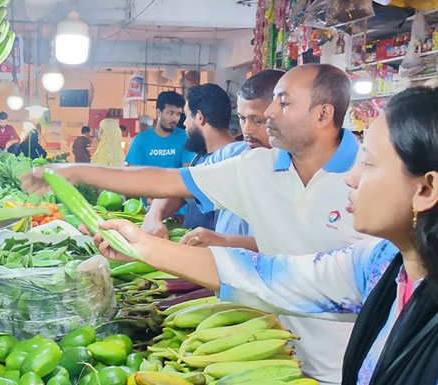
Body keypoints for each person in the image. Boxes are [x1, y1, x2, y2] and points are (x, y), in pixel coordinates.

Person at [21, 64, 365, 384]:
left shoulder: (369, 178)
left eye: (283, 102)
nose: (269, 112)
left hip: (349, 365)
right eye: (272, 101)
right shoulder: (256, 167)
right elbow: (165, 180)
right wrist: (73, 172)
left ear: (323, 114)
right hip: (263, 353)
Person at [89, 87, 438, 385]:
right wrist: (144, 246)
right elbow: (266, 277)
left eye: (370, 164)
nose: (352, 177)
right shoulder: (380, 264)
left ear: (426, 189)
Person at [154, 70, 284, 249]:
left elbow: (285, 246)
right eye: (242, 118)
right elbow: (178, 185)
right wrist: (154, 215)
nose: (247, 130)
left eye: (257, 120)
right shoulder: (206, 158)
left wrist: (222, 241)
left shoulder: (237, 153)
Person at [125, 91, 194, 168]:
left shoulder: (185, 138)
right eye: (170, 113)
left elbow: (188, 172)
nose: (175, 118)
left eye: (178, 114)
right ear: (158, 112)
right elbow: (132, 173)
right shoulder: (140, 140)